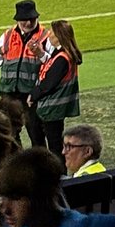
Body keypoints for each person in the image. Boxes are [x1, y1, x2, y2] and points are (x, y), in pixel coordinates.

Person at [0, 0, 49, 148]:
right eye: (24, 20)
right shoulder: (8, 36)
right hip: (8, 92)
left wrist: (41, 54)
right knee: (9, 133)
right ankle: (15, 163)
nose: (28, 23)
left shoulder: (45, 36)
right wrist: (1, 52)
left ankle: (39, 165)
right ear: (18, 20)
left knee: (36, 132)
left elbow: (52, 65)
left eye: (31, 19)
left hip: (31, 95)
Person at [28, 19, 82, 160]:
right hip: (56, 107)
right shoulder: (63, 54)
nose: (48, 34)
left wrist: (33, 95)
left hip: (52, 107)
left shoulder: (62, 58)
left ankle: (57, 174)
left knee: (55, 146)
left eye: (52, 32)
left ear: (59, 36)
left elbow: (49, 83)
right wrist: (40, 53)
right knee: (55, 143)